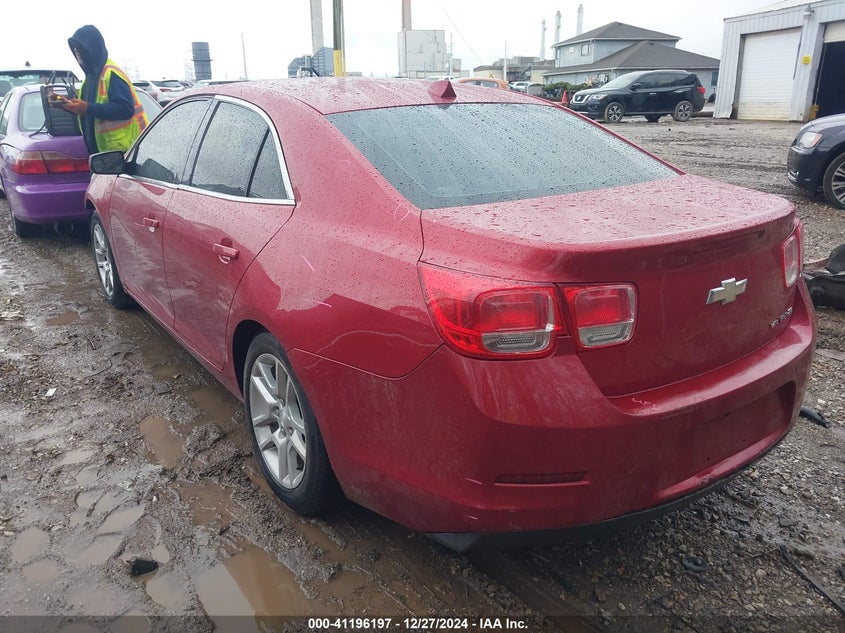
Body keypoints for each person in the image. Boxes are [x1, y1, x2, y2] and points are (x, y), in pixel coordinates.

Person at [63, 25, 148, 154]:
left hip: (125, 153)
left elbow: (125, 109)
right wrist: (66, 105)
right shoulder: (89, 78)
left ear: (91, 49)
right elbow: (90, 111)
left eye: (80, 48)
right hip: (102, 155)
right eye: (74, 49)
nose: (77, 52)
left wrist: (87, 108)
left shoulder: (111, 73)